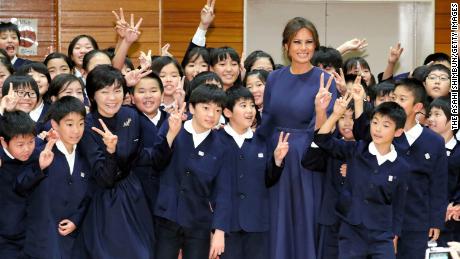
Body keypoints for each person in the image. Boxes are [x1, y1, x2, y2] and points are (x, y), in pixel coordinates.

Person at [72, 64, 183, 259]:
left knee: (143, 253)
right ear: (91, 95)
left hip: (133, 196)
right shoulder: (87, 125)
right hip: (103, 201)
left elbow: (149, 159)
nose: (112, 98)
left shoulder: (130, 116)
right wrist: (111, 151)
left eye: (117, 91)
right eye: (104, 92)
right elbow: (104, 179)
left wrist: (170, 135)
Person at [258, 17, 337, 259]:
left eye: (309, 42)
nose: (303, 48)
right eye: (297, 42)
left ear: (316, 45)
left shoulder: (326, 80)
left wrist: (321, 109)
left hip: (307, 159)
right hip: (278, 154)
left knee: (305, 218)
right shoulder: (274, 78)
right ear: (286, 46)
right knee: (277, 218)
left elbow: (325, 133)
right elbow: (267, 119)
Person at [353, 78, 448, 259]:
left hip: (416, 220)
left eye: (402, 99)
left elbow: (439, 184)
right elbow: (360, 135)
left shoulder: (434, 141)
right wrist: (359, 102)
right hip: (382, 219)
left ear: (417, 107)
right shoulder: (384, 133)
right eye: (394, 97)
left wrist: (436, 220)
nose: (395, 102)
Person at [153, 84, 230, 259]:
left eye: (217, 110)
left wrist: (219, 231)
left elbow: (224, 191)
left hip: (199, 223)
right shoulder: (172, 127)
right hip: (167, 217)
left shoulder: (222, 146)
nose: (212, 115)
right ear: (191, 107)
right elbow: (156, 163)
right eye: (206, 108)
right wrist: (171, 135)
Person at [217, 86, 288, 259]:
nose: (250, 111)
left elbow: (269, 180)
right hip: (226, 225)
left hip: (257, 223)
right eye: (243, 105)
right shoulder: (216, 140)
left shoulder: (262, 141)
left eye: (251, 106)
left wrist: (277, 161)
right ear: (227, 112)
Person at [18, 97, 91, 259]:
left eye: (81, 123)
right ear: (55, 124)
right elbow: (20, 186)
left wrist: (76, 220)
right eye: (70, 124)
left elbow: (89, 194)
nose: (76, 130)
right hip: (41, 242)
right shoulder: (39, 152)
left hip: (74, 242)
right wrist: (40, 167)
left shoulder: (86, 155)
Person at [0, 110, 51, 258]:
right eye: (20, 144)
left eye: (31, 141)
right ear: (4, 142)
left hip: (35, 236)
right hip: (5, 238)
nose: (27, 149)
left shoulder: (38, 153)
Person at [129, 72, 168, 216]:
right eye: (141, 91)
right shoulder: (127, 120)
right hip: (136, 195)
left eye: (153, 91)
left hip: (167, 197)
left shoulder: (173, 121)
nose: (148, 96)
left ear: (162, 95)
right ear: (132, 98)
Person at [426, 97, 460, 246]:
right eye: (430, 114)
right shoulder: (420, 149)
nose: (431, 119)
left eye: (437, 114)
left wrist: (457, 205)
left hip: (453, 221)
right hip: (423, 219)